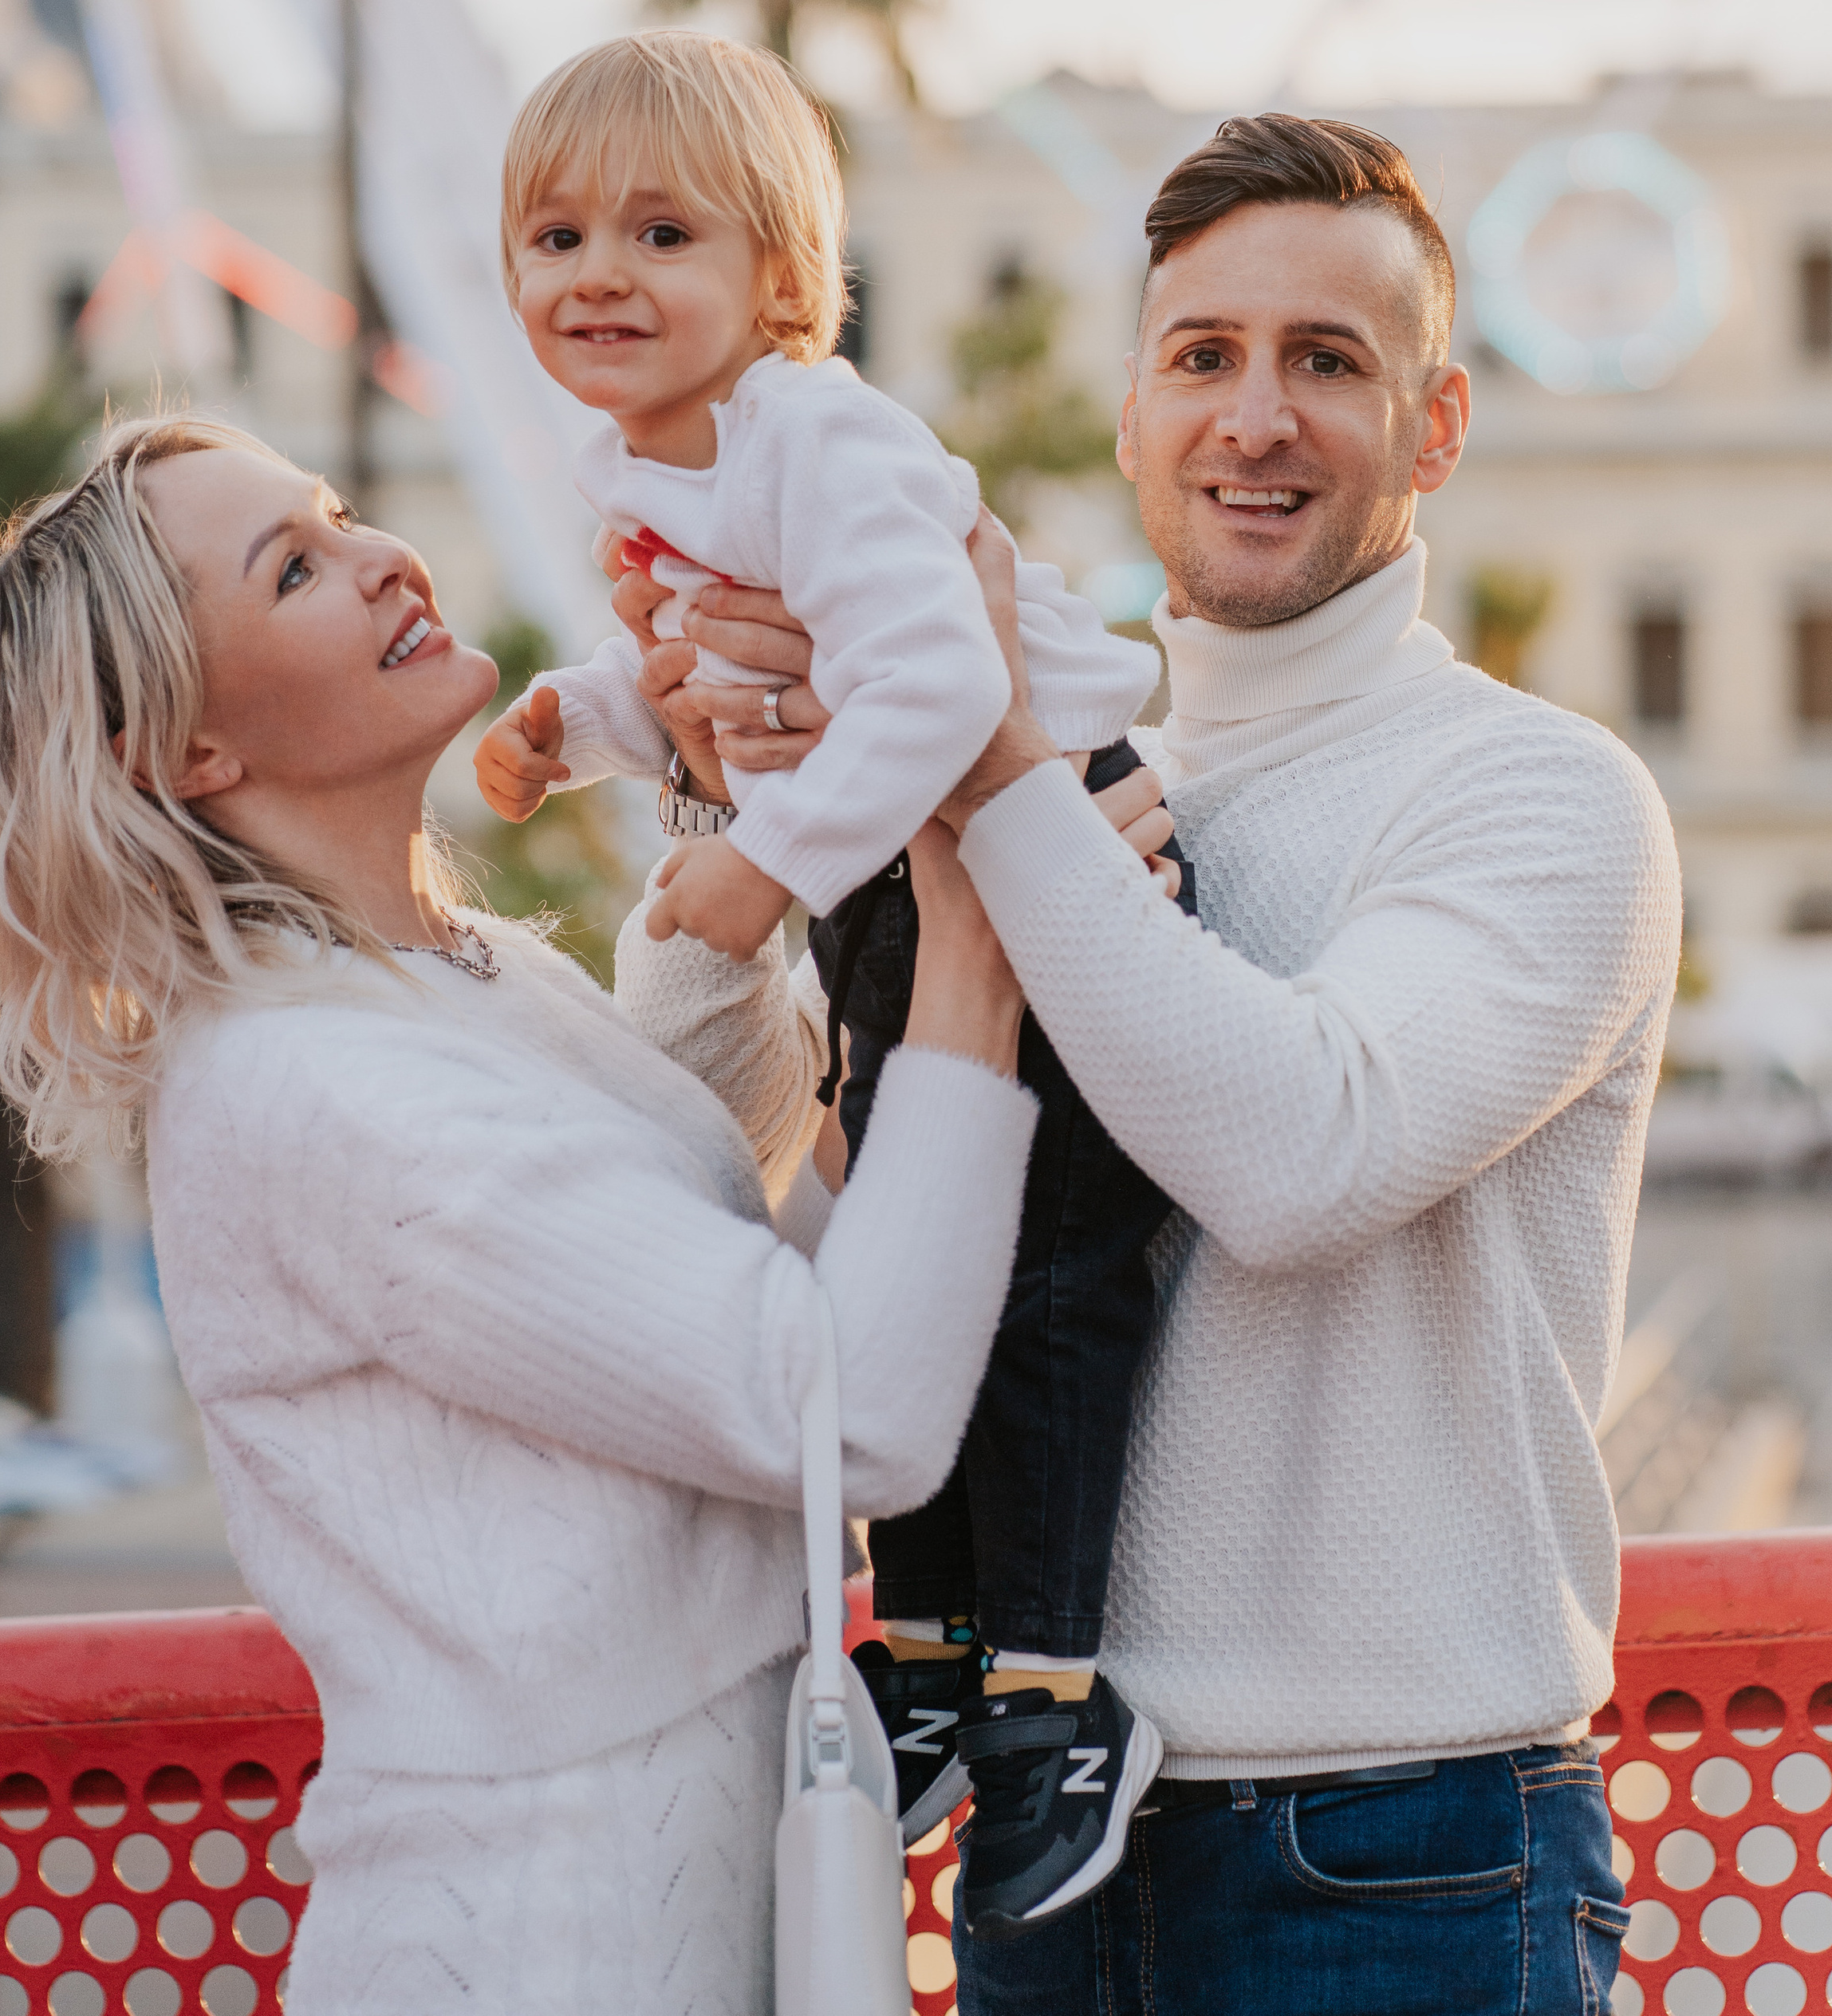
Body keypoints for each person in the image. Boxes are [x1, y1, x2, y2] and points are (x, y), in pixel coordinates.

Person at [644, 113, 1680, 2016]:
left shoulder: (1537, 798)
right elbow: (779, 1204)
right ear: (1129, 418)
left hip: (1404, 1852)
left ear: (1434, 426)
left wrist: (980, 768)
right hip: (1043, 1841)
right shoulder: (1048, 791)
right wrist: (732, 811)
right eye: (1201, 356)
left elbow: (1297, 1156)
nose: (1253, 417)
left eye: (1327, 362)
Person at [0, 409, 1042, 2016]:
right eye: (298, 566)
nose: (385, 553)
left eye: (334, 513)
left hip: (682, 1899)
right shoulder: (301, 1087)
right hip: (538, 1940)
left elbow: (718, 1286)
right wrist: (973, 938)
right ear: (185, 752)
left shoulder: (448, 970)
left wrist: (758, 824)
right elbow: (842, 1411)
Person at [475, 30, 1184, 1931]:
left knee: (1035, 1282)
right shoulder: (650, 459)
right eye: (552, 237)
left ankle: (1051, 1690)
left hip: (1062, 847)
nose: (595, 274)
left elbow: (946, 689)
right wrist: (582, 722)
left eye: (658, 230)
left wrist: (760, 863)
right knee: (902, 1248)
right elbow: (736, 664)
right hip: (893, 869)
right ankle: (937, 1651)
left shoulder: (826, 442)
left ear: (782, 285)